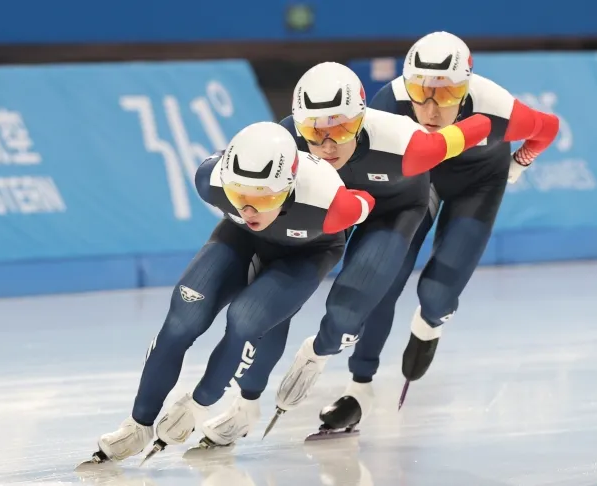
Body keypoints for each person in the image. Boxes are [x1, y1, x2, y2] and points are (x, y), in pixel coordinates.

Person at [201, 61, 491, 440]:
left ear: (361, 118)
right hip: (329, 210)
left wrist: (517, 145)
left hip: (392, 210)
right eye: (313, 131)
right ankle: (245, 404)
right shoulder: (284, 142)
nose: (326, 144)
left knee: (357, 301)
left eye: (340, 129)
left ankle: (349, 378)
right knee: (273, 294)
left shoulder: (408, 143)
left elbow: (481, 125)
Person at [82, 121, 376, 465]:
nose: (248, 210)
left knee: (246, 320)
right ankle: (137, 424)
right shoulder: (211, 181)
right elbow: (243, 202)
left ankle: (231, 405)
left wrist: (197, 405)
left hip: (306, 252)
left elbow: (369, 201)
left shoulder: (331, 205)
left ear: (288, 187)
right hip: (243, 240)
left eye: (263, 198)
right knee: (181, 319)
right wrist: (250, 202)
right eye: (240, 197)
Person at [324, 30, 560, 430]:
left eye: (447, 94)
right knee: (385, 278)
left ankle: (430, 323)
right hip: (421, 182)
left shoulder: (496, 106)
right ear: (407, 85)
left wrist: (519, 162)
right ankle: (359, 383)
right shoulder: (392, 102)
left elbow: (547, 128)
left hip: (478, 183)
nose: (431, 108)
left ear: (466, 89)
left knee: (437, 293)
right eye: (422, 91)